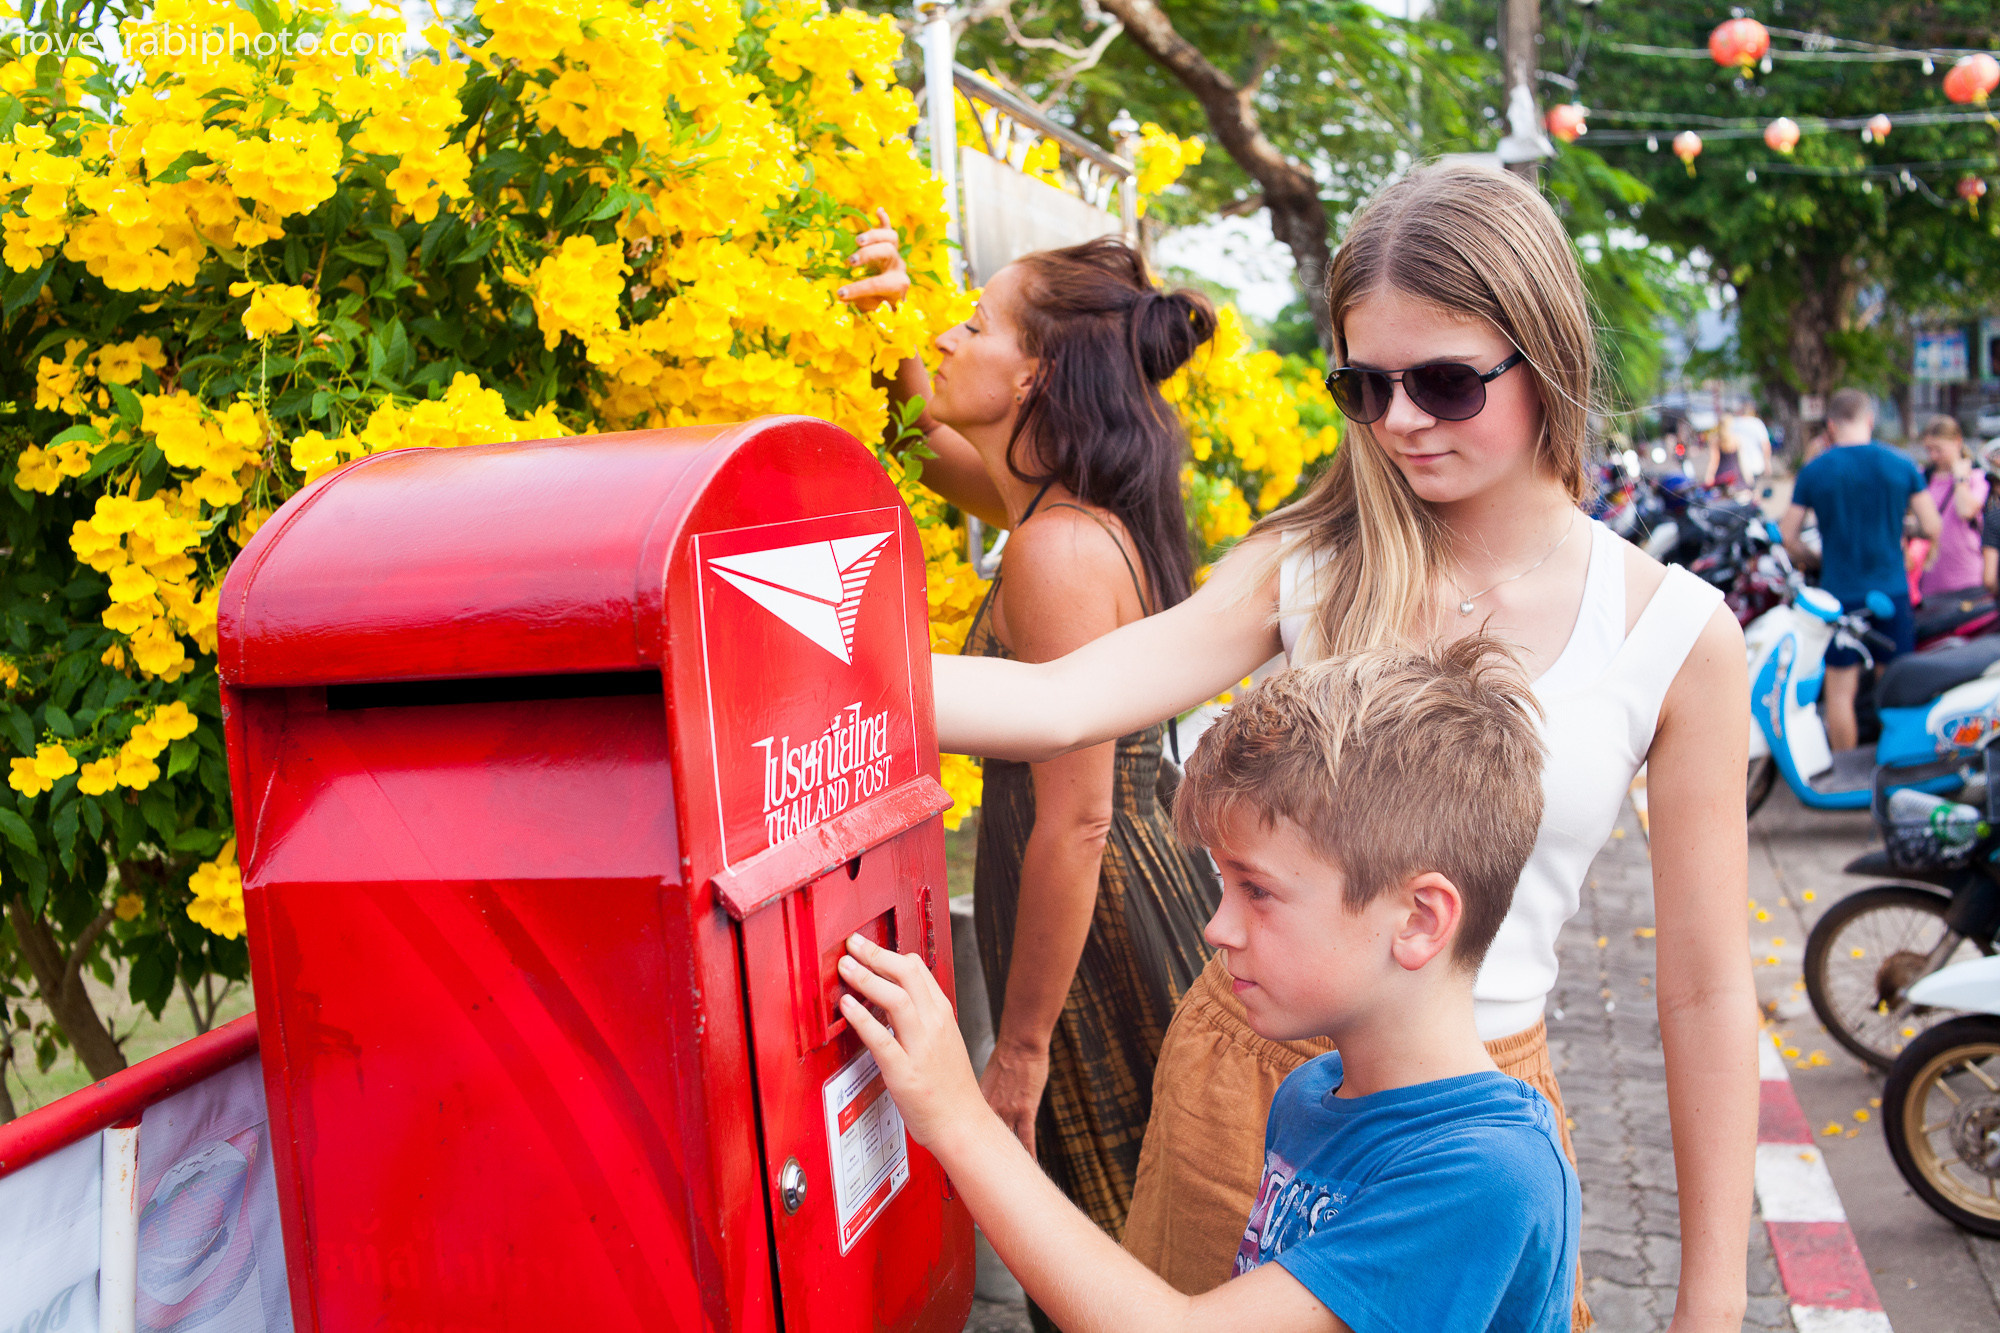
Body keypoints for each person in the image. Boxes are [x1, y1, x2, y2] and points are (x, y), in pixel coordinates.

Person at [928, 163, 1755, 1332]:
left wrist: (1709, 1300)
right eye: (1364, 385)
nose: (1401, 420)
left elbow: (1706, 988)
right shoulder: (1312, 560)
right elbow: (1064, 700)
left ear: (1546, 356)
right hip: (1242, 1078)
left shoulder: (1671, 633)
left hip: (1464, 1116)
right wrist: (783, 670)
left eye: (1445, 382)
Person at [836, 642, 1580, 1333]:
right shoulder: (1311, 1091)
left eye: (1257, 890)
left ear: (1418, 919)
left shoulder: (1488, 1177)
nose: (1217, 927)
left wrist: (960, 1118)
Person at [837, 233, 1222, 1289]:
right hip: (1107, 900)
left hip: (1096, 929)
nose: (944, 336)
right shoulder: (1052, 506)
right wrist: (881, 317)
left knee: (1102, 1255)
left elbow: (1079, 820)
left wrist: (1017, 1047)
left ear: (1032, 376)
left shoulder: (1059, 549)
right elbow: (926, 443)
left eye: (974, 324)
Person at [1780, 389, 1942, 752]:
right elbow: (1932, 525)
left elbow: (1788, 536)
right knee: (1895, 689)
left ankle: (1844, 768)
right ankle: (1891, 764)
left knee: (1840, 693)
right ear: (1870, 420)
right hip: (1891, 592)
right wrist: (1902, 529)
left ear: (1831, 426)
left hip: (1838, 595)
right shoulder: (1901, 463)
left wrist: (1817, 560)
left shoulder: (1815, 470)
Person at [1917, 415, 1987, 600]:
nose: (1933, 456)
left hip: (1968, 577)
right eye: (1928, 449)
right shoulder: (1923, 478)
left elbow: (1965, 510)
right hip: (1929, 579)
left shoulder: (1976, 477)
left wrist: (1960, 478)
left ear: (1957, 442)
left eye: (1938, 449)